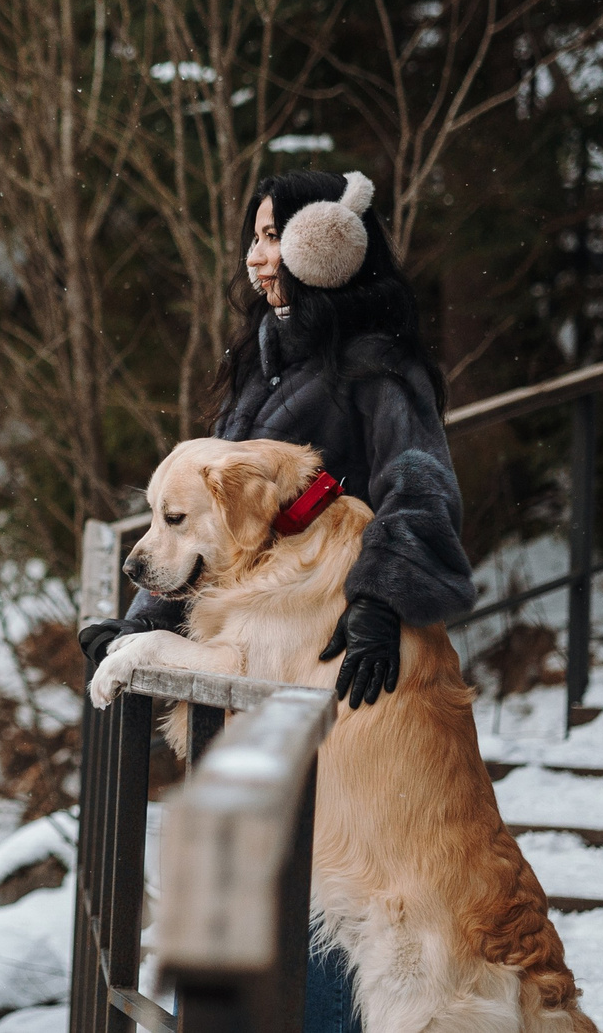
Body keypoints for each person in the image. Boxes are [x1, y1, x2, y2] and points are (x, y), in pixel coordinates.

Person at [78, 169, 476, 1033]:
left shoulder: (377, 365)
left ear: (324, 246)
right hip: (255, 664)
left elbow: (418, 487)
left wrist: (380, 599)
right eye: (254, 237)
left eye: (274, 237)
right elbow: (220, 540)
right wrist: (139, 627)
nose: (258, 258)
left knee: (325, 882)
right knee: (242, 885)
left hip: (336, 666)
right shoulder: (264, 361)